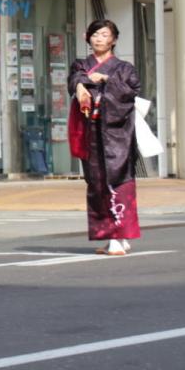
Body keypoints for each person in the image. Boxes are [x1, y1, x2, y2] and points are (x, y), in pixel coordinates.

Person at [68, 19, 141, 255]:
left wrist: (107, 80)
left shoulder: (124, 68)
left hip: (118, 134)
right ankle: (114, 236)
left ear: (114, 40)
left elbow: (132, 92)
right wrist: (81, 86)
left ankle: (118, 237)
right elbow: (75, 79)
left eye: (105, 34)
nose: (99, 39)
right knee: (96, 182)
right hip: (90, 132)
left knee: (119, 181)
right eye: (95, 34)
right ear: (87, 37)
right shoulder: (81, 64)